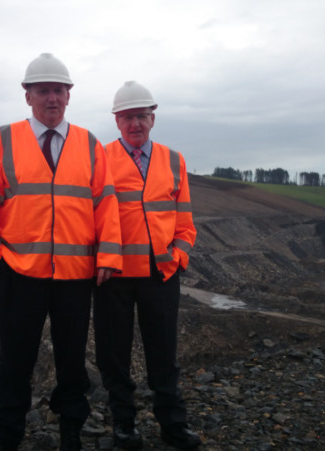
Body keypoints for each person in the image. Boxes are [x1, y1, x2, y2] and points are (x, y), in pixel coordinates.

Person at [0, 53, 123, 451]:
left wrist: (107, 256)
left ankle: (71, 430)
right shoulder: (3, 139)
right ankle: (5, 435)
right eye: (43, 91)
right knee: (15, 360)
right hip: (18, 274)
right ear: (28, 96)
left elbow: (105, 203)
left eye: (58, 90)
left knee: (72, 361)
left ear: (69, 96)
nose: (51, 98)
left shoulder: (89, 144)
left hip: (74, 275)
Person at [94, 81, 200, 449]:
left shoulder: (174, 161)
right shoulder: (100, 158)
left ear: (152, 118)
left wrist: (179, 256)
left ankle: (173, 425)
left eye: (140, 116)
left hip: (161, 275)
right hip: (114, 277)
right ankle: (124, 426)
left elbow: (185, 221)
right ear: (116, 121)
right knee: (113, 357)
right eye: (127, 117)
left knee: (163, 355)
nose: (134, 124)